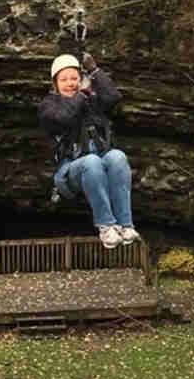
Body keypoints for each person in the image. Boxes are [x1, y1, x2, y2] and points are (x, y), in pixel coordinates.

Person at [38, 52, 141, 250]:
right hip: (69, 173)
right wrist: (81, 94)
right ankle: (106, 226)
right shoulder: (47, 107)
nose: (70, 83)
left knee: (118, 157)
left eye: (74, 78)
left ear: (81, 79)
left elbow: (113, 97)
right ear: (55, 83)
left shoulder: (90, 101)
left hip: (100, 162)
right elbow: (64, 118)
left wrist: (95, 72)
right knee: (91, 161)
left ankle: (125, 225)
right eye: (64, 79)